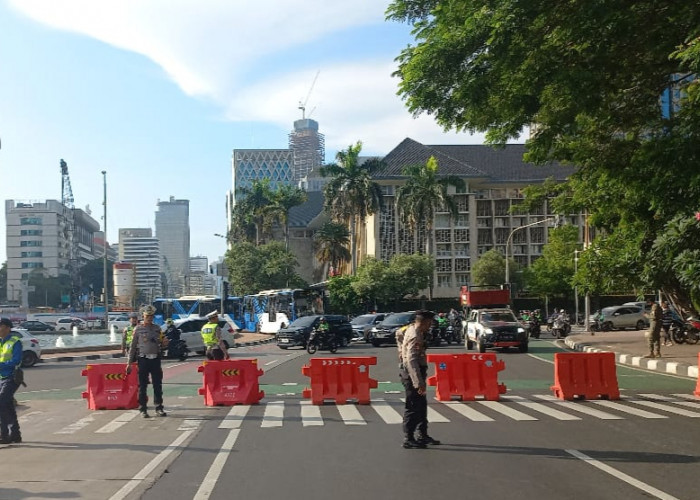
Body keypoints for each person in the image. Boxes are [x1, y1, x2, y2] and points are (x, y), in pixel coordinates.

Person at [399, 310, 440, 449]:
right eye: (429, 323)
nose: (430, 326)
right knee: (412, 406)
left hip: (416, 371)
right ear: (423, 322)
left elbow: (398, 334)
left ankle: (422, 434)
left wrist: (400, 351)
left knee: (421, 406)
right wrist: (418, 383)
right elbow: (411, 361)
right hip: (411, 374)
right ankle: (408, 437)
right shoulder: (415, 335)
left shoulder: (411, 329)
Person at [126, 305, 169, 418]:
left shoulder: (157, 328)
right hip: (143, 359)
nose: (149, 318)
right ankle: (143, 408)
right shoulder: (138, 329)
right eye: (147, 316)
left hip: (155, 359)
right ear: (143, 316)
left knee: (157, 385)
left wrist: (164, 343)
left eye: (151, 316)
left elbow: (162, 343)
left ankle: (159, 407)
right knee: (143, 385)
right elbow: (133, 347)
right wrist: (129, 363)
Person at [0, 318, 22, 443]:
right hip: (1, 378)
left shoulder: (15, 341)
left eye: (0, 326)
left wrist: (1, 365)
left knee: (1, 402)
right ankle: (15, 434)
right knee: (7, 405)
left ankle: (4, 435)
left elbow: (16, 361)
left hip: (12, 377)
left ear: (8, 328)